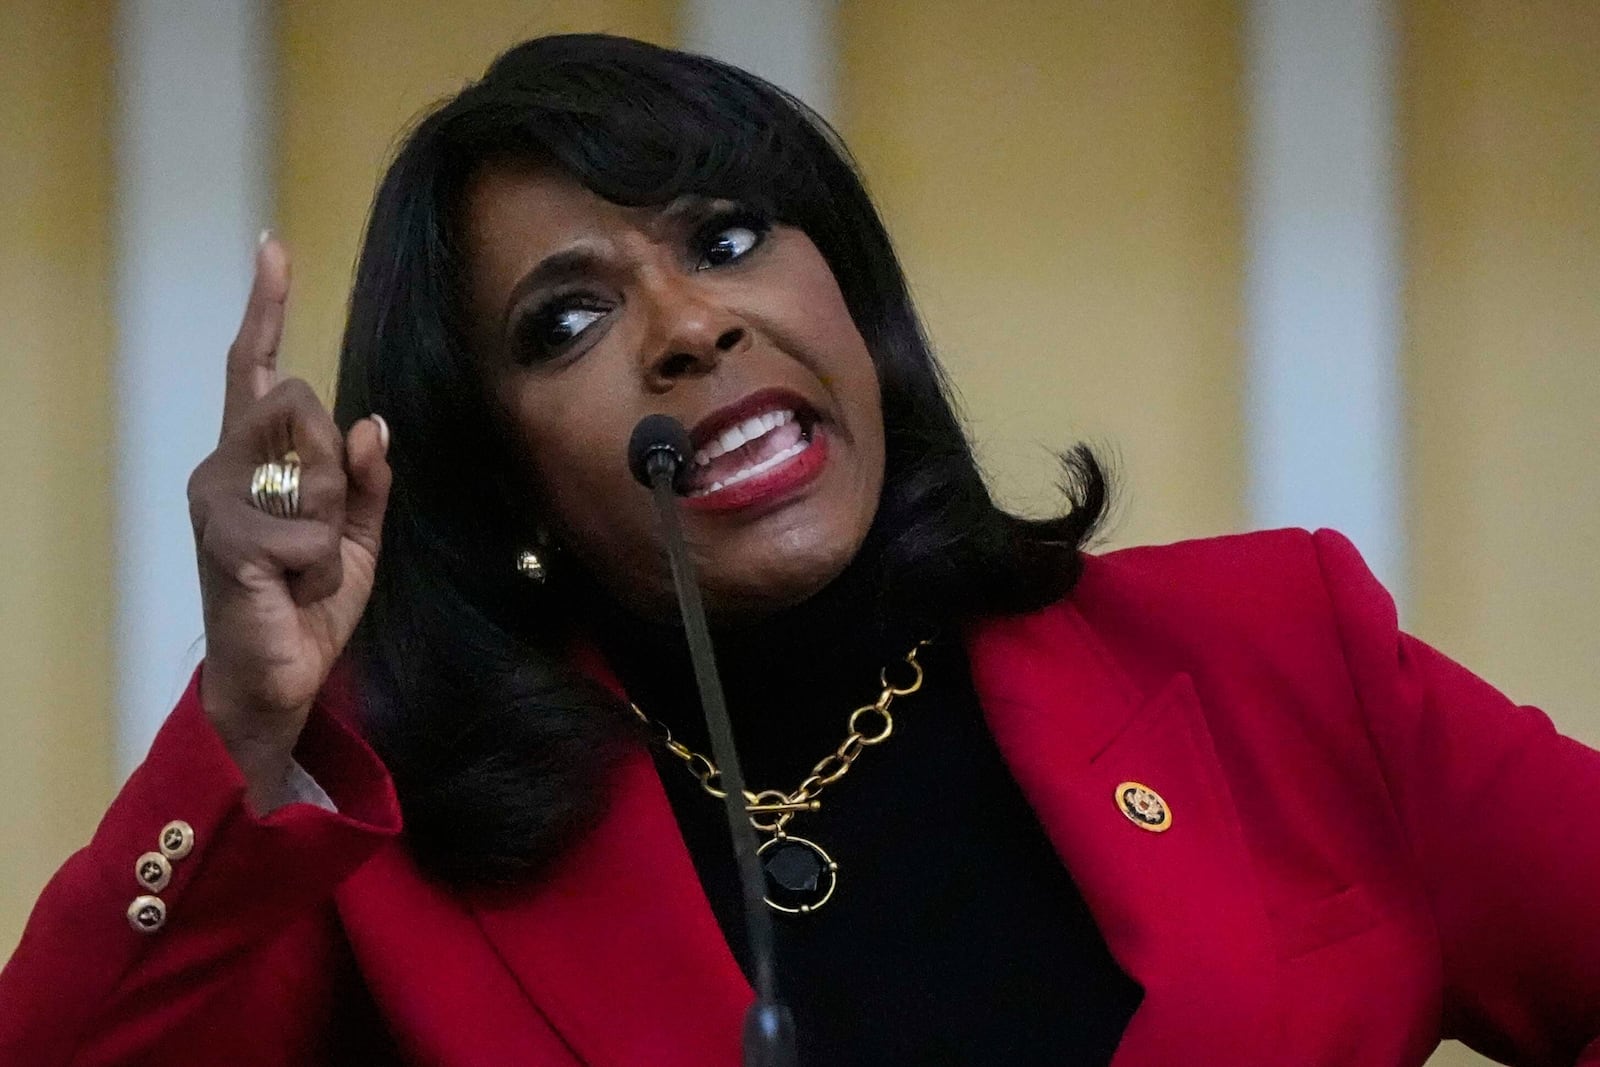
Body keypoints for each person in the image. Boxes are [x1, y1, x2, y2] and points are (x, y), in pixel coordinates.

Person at [2, 33, 1597, 1067]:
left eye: (727, 236)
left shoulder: (1276, 653)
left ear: (857, 304)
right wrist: (249, 738)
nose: (691, 326)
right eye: (569, 319)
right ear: (504, 479)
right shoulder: (397, 851)